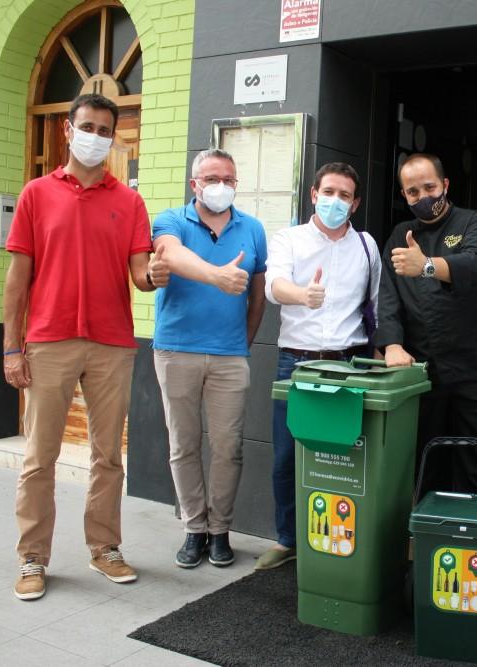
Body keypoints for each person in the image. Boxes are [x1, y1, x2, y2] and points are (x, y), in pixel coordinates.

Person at [3, 93, 168, 601]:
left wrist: (155, 275)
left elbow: (139, 273)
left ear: (114, 137)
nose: (95, 136)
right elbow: (17, 277)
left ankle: (105, 548)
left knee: (108, 456)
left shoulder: (130, 202)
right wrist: (11, 347)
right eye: (87, 127)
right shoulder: (36, 194)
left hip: (111, 343)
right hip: (48, 339)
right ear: (68, 130)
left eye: (104, 130)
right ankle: (33, 557)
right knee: (39, 457)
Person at [255, 162, 379, 570]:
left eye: (345, 195)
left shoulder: (366, 246)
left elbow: (375, 303)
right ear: (313, 194)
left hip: (349, 364)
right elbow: (274, 285)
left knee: (346, 458)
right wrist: (302, 295)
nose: (335, 201)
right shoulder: (289, 239)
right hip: (297, 363)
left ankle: (341, 540)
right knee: (287, 456)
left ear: (355, 203)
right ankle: (288, 539)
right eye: (328, 192)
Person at [152, 148, 267, 569]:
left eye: (229, 179)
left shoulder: (252, 228)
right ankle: (194, 528)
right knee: (183, 445)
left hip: (229, 357)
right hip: (176, 350)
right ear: (194, 183)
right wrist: (216, 275)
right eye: (212, 178)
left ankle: (219, 531)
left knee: (228, 448)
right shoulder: (171, 220)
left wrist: (242, 342)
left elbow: (258, 297)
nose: (221, 186)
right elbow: (169, 254)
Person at [376, 153, 477, 496]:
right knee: (424, 460)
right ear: (404, 195)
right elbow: (387, 296)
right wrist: (392, 344)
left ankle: (475, 527)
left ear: (445, 185)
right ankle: (426, 526)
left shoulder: (474, 222)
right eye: (413, 192)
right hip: (424, 370)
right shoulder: (401, 234)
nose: (423, 197)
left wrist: (427, 265)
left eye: (429, 187)